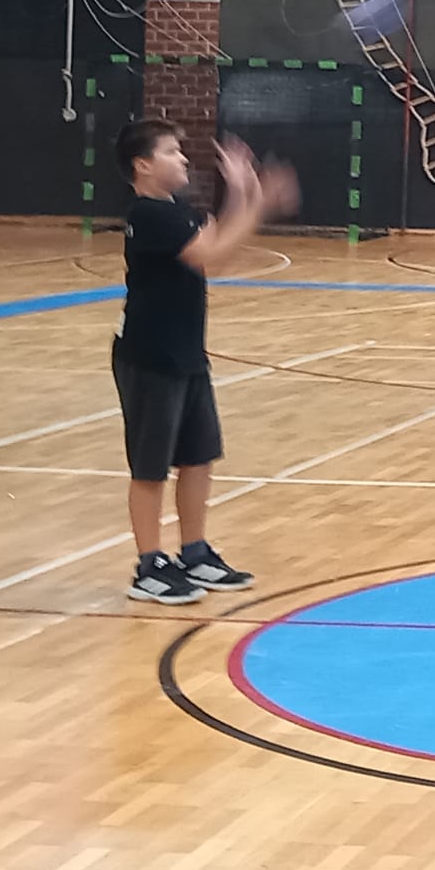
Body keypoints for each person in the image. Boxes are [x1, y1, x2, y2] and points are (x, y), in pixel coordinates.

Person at [112, 121, 298, 603]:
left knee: (198, 456)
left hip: (186, 351)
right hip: (151, 355)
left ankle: (194, 553)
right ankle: (149, 566)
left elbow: (220, 248)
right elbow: (210, 256)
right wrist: (254, 200)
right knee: (151, 466)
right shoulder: (150, 214)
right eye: (171, 152)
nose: (183, 159)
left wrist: (243, 196)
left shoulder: (175, 209)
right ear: (143, 164)